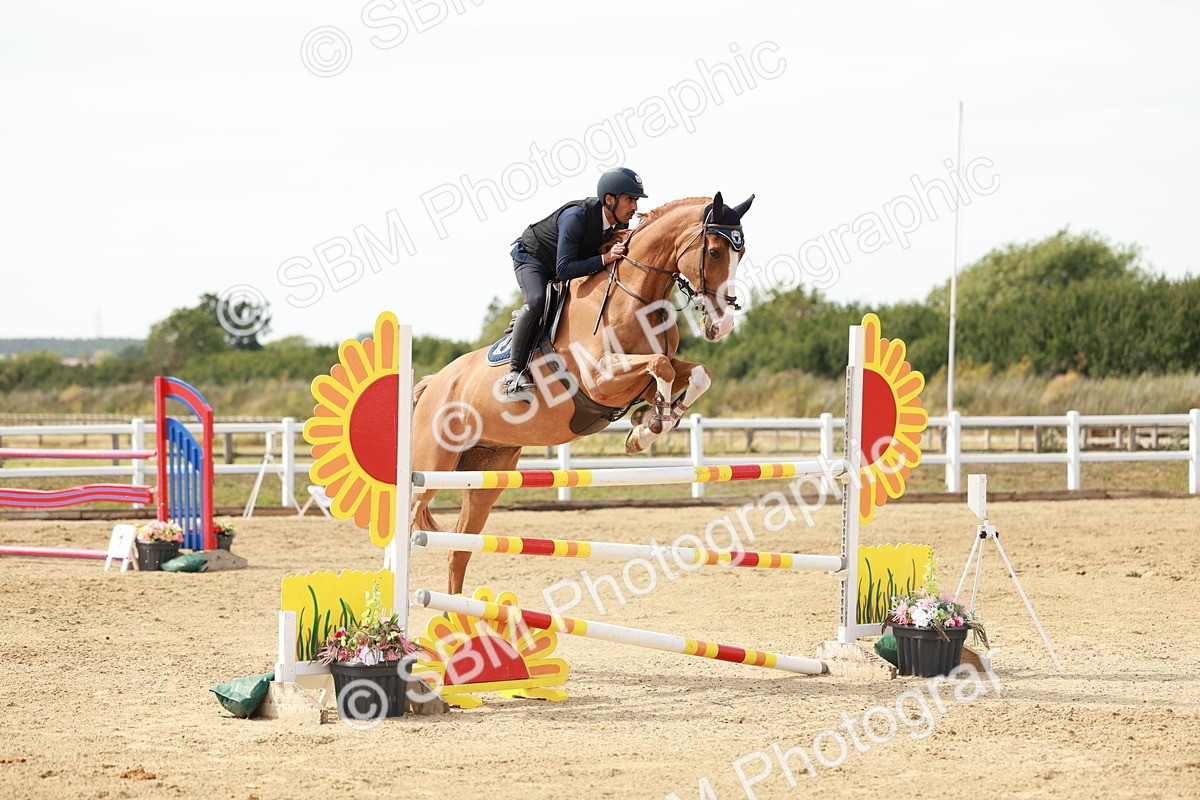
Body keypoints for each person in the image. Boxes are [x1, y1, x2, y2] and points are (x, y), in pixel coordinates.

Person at [500, 167, 648, 401]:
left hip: (562, 263)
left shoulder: (617, 225)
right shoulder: (576, 217)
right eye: (629, 199)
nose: (635, 207)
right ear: (609, 200)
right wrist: (605, 258)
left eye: (636, 200)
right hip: (533, 258)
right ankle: (513, 376)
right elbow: (564, 269)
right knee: (537, 300)